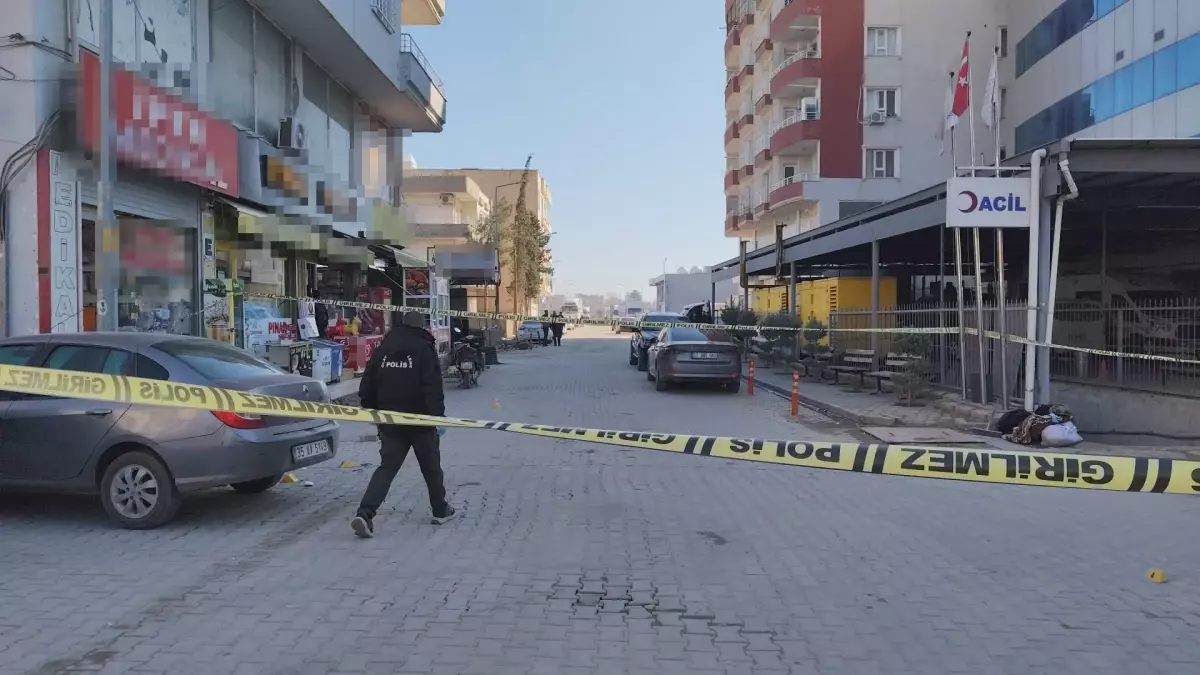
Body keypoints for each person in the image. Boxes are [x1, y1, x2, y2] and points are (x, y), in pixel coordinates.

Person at [351, 311, 458, 538]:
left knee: (387, 468)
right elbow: (432, 388)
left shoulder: (383, 349)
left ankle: (365, 513)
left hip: (390, 421)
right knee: (431, 468)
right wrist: (437, 417)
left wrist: (374, 412)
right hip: (420, 421)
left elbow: (367, 384)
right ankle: (440, 509)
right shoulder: (424, 349)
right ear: (421, 327)